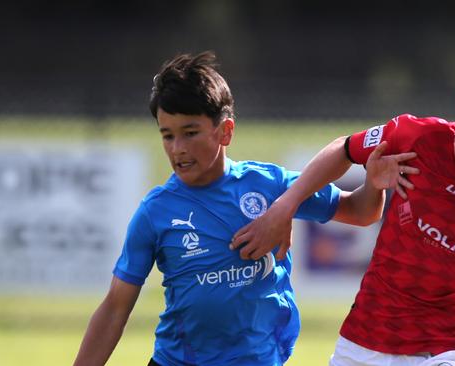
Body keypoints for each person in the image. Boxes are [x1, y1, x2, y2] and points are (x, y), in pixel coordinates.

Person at [73, 51, 417, 366]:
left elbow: (360, 211)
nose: (177, 148)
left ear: (225, 132)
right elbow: (116, 308)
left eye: (190, 132)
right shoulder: (156, 211)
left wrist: (374, 182)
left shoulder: (267, 186)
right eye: (167, 135)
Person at [230, 57, 455, 366]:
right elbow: (345, 149)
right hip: (365, 338)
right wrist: (285, 207)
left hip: (448, 346)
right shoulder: (419, 138)